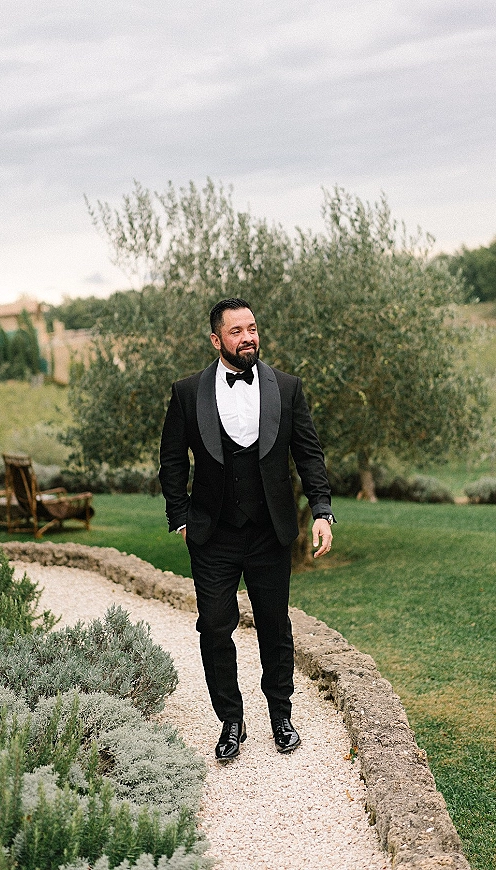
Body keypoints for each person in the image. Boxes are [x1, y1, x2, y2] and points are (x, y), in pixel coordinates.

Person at [159, 298, 334, 762]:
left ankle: (281, 714)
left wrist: (321, 510)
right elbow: (172, 462)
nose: (248, 337)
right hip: (212, 534)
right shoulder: (186, 392)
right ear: (217, 340)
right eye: (236, 331)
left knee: (276, 625)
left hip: (269, 531)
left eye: (252, 328)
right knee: (215, 627)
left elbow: (309, 454)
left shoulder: (288, 388)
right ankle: (231, 721)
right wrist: (179, 517)